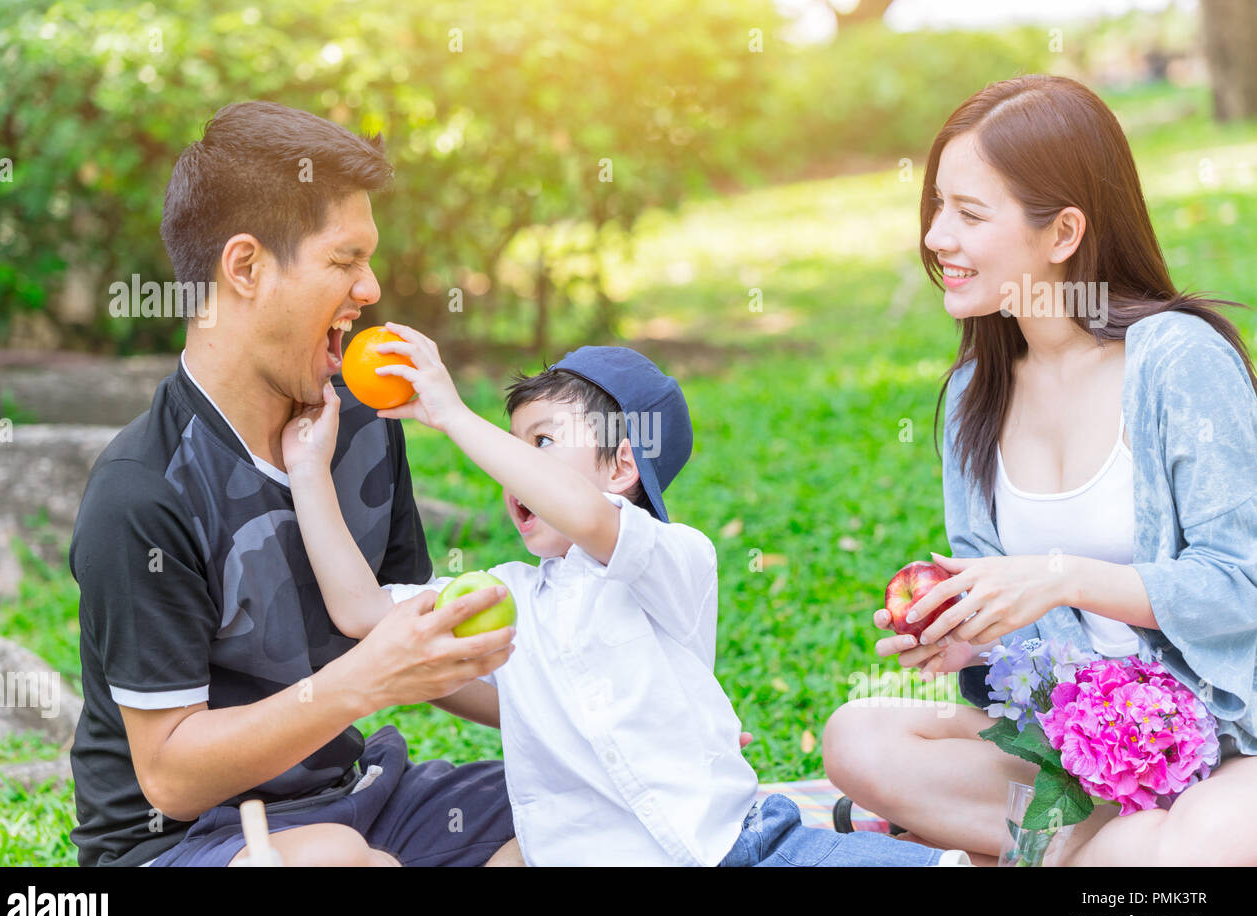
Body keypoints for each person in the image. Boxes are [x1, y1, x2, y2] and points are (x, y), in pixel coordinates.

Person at [281, 328, 972, 866]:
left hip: (744, 849)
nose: (513, 471)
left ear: (620, 465)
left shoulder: (671, 560)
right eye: (514, 448)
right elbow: (361, 613)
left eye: (541, 443)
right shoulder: (505, 596)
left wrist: (454, 416)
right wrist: (308, 470)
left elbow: (587, 516)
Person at [68, 101, 521, 866]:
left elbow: (407, 639)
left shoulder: (366, 427)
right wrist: (365, 681)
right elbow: (172, 776)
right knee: (335, 861)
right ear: (244, 267)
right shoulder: (142, 494)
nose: (371, 288)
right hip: (187, 841)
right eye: (345, 260)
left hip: (359, 798)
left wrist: (607, 725)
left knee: (577, 809)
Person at [821, 74, 1257, 866]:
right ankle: (1097, 850)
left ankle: (1048, 849)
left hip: (1233, 737)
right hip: (1084, 750)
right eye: (937, 208)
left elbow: (1243, 586)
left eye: (969, 214)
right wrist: (972, 641)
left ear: (1062, 234)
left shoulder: (1177, 363)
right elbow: (1030, 630)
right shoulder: (970, 400)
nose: (937, 238)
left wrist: (1063, 575)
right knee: (860, 736)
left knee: (1191, 850)